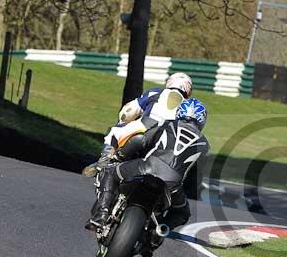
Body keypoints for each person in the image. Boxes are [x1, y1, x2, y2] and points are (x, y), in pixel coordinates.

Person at [85, 98, 210, 234]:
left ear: (179, 112)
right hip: (173, 184)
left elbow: (140, 140)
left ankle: (101, 213)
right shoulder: (204, 145)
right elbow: (195, 180)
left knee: (110, 171)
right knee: (182, 213)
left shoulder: (166, 124)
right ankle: (157, 232)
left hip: (146, 167)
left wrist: (119, 155)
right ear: (202, 120)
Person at [95, 72, 194, 170]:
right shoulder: (188, 106)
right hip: (168, 141)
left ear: (170, 82)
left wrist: (123, 122)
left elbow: (128, 111)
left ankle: (104, 162)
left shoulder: (156, 92)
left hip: (145, 126)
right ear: (188, 89)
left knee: (114, 132)